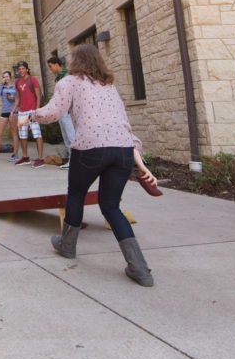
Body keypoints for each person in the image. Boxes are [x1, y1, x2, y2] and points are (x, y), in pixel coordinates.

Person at [30, 43, 157, 287]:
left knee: (76, 195)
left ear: (75, 61)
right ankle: (140, 268)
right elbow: (124, 123)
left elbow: (53, 113)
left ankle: (67, 245)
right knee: (111, 207)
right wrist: (138, 157)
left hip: (90, 149)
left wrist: (31, 115)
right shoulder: (109, 86)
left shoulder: (69, 82)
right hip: (121, 151)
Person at [12, 60, 44, 167]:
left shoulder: (32, 79)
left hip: (32, 111)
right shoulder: (17, 82)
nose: (21, 70)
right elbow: (18, 98)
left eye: (23, 69)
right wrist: (13, 110)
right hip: (22, 112)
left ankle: (40, 159)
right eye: (19, 69)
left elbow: (38, 95)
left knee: (37, 134)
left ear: (27, 69)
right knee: (23, 136)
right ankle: (25, 157)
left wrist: (37, 109)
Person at [46, 53, 75, 170]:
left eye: (51, 66)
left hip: (68, 112)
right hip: (61, 112)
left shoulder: (67, 75)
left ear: (57, 65)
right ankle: (71, 160)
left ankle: (76, 161)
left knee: (71, 137)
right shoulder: (58, 77)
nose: (50, 69)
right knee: (66, 137)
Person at [0, 71, 18, 162]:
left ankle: (15, 155)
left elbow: (18, 99)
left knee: (14, 133)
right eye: (4, 77)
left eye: (7, 76)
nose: (6, 78)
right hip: (4, 112)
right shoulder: (3, 87)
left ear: (10, 77)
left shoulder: (15, 87)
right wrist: (1, 85)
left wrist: (13, 98)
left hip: (13, 112)